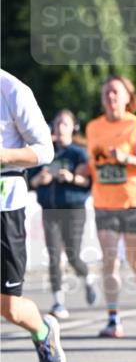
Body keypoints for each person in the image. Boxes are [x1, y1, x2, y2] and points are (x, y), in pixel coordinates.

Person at [0, 69, 65, 362]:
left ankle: (42, 330)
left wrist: (5, 155)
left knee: (9, 308)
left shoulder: (12, 89)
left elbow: (44, 150)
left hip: (5, 207)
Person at [83, 76, 136, 338]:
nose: (111, 98)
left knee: (135, 260)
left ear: (127, 97)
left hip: (135, 200)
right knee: (109, 261)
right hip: (104, 202)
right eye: (106, 94)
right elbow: (93, 163)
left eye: (115, 93)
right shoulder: (92, 127)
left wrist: (126, 158)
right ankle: (113, 318)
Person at [28, 109, 96, 319]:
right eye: (57, 124)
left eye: (65, 124)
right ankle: (58, 302)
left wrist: (71, 177)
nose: (60, 128)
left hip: (73, 209)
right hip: (50, 210)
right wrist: (42, 179)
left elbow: (88, 182)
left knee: (73, 256)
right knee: (54, 257)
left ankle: (88, 278)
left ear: (73, 128)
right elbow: (31, 181)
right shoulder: (44, 152)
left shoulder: (78, 153)